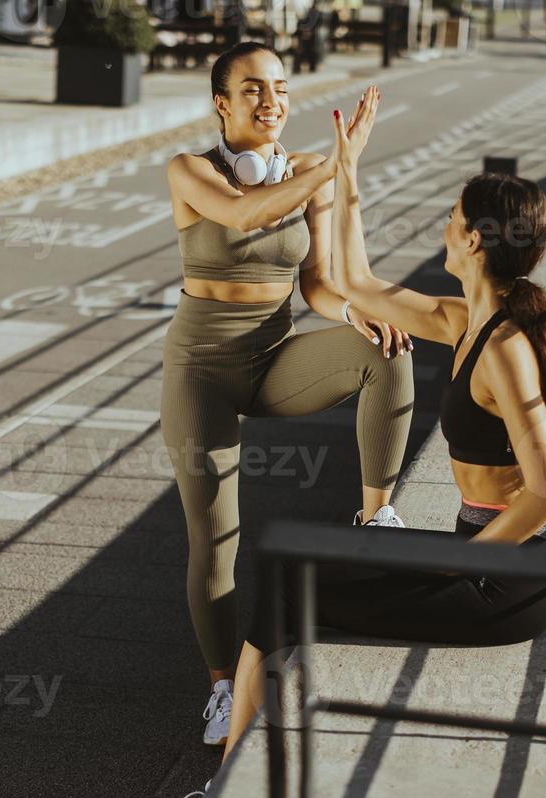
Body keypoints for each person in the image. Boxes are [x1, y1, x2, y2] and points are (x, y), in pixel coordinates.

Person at [221, 86, 546, 765]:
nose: (443, 228)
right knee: (289, 573)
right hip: (483, 566)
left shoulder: (505, 346)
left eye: (451, 219)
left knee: (287, 580)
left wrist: (459, 561)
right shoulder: (465, 318)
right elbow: (355, 281)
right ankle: (239, 758)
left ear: (472, 240)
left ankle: (225, 779)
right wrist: (347, 170)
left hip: (502, 588)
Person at [163, 44, 416, 748]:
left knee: (384, 347)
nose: (270, 99)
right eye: (251, 89)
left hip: (272, 358)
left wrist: (353, 312)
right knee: (215, 541)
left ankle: (377, 523)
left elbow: (320, 284)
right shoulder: (190, 172)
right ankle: (221, 690)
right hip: (203, 371)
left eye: (278, 86)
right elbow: (244, 217)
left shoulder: (311, 172)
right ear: (221, 102)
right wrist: (339, 163)